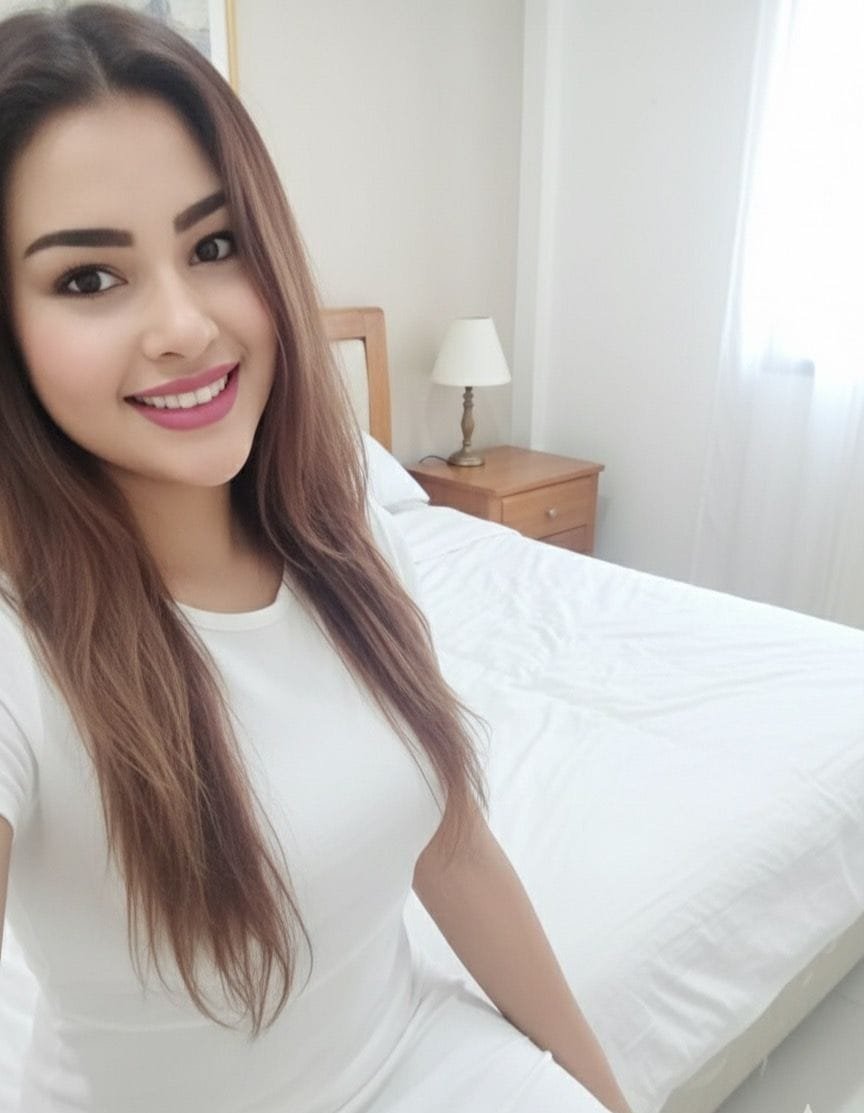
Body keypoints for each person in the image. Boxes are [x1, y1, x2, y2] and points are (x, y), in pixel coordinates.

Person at [0, 6, 632, 1112]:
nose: (183, 325)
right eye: (90, 279)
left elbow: (455, 851)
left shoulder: (352, 535)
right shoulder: (21, 643)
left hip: (415, 1053)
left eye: (214, 246)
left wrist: (605, 1095)